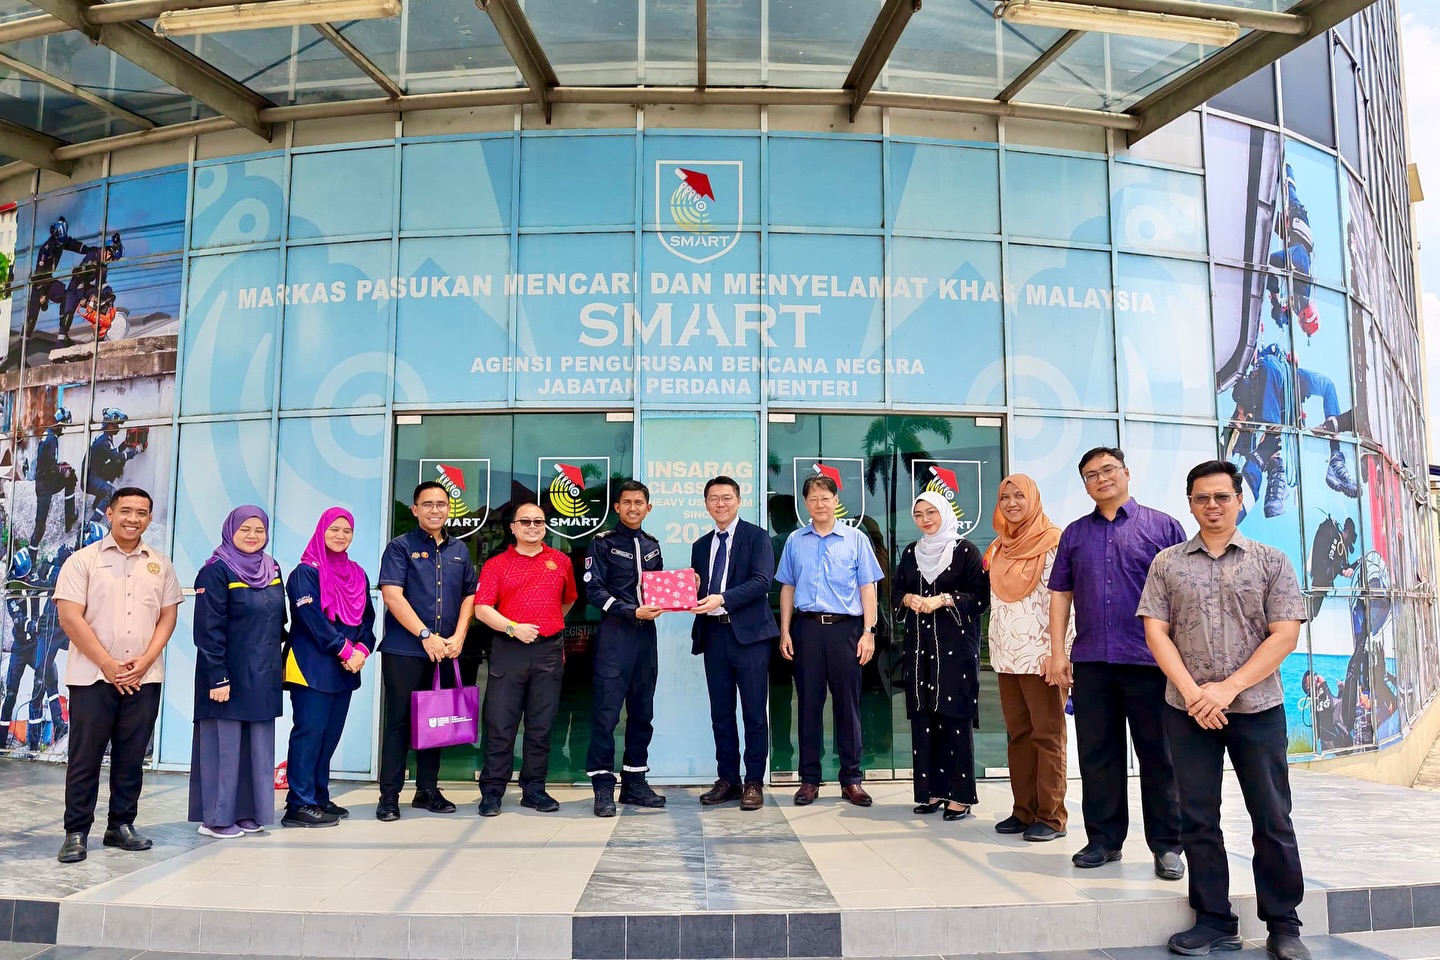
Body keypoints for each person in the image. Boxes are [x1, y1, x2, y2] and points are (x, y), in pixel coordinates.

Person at [1138, 460, 1310, 960]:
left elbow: (1285, 634)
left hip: (1256, 708)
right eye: (1201, 498)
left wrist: (1226, 690)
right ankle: (1213, 919)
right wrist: (1195, 693)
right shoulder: (1167, 563)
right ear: (1190, 504)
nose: (1212, 506)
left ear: (1238, 501)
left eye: (1221, 497)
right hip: (1187, 710)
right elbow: (1155, 632)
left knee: (1272, 815)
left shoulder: (1271, 561)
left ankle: (1283, 924)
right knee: (1197, 817)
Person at [1048, 446, 1187, 879]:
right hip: (1092, 661)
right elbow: (1060, 595)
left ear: (1126, 472)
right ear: (1085, 485)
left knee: (1159, 756)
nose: (1101, 478)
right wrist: (1058, 652)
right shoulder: (1074, 534)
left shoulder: (1163, 527)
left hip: (1151, 662)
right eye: (1091, 475)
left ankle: (1168, 846)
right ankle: (1104, 841)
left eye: (1108, 469)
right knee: (1097, 755)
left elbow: (1185, 594)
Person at [53, 487, 182, 863]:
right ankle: (76, 832)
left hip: (143, 677)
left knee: (131, 755)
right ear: (110, 514)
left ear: (149, 519)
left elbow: (168, 616)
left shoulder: (160, 564)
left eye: (141, 513)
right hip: (92, 677)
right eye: (126, 511)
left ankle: (121, 825)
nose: (133, 519)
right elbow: (70, 617)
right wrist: (107, 664)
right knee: (85, 756)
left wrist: (146, 660)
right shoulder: (83, 560)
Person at [776, 472, 884, 807]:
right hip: (806, 630)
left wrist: (868, 632)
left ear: (836, 501)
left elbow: (868, 588)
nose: (820, 504)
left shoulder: (856, 539)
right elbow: (787, 586)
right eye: (813, 498)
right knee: (808, 705)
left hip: (846, 630)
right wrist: (785, 630)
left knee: (847, 706)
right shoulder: (795, 541)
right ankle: (809, 779)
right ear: (805, 504)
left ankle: (851, 779)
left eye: (826, 498)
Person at [375, 481, 477, 821]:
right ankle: (389, 796)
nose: (435, 510)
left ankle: (427, 790)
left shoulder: (459, 550)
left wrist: (459, 635)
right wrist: (424, 634)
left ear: (449, 509)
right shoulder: (399, 547)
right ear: (415, 509)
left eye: (441, 504)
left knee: (437, 721)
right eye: (428, 504)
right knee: (399, 723)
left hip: (445, 651)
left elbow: (470, 595)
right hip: (405, 651)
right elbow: (392, 595)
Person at [474, 501, 577, 816]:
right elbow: (482, 608)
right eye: (526, 522)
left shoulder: (560, 561)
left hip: (547, 651)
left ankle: (534, 790)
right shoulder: (497, 564)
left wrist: (547, 623)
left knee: (541, 726)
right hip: (510, 649)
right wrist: (513, 628)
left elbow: (568, 600)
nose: (533, 527)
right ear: (513, 527)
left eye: (538, 522)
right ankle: (492, 792)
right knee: (500, 724)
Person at [984, 474, 1072, 842]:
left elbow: (1065, 600)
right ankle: (1023, 810)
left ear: (1033, 499)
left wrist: (1059, 653)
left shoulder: (1054, 542)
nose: (1011, 503)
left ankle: (1051, 816)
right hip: (1007, 657)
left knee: (1047, 735)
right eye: (1005, 497)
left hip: (1041, 657)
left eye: (1019, 496)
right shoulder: (1000, 546)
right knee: (1019, 735)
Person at [190, 506, 286, 839]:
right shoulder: (216, 571)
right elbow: (207, 629)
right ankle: (216, 819)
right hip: (226, 676)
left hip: (262, 674)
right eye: (245, 529)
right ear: (230, 530)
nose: (252, 536)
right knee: (225, 748)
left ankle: (247, 812)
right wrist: (217, 676)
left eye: (259, 530)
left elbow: (279, 622)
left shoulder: (272, 568)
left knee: (256, 749)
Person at [894, 491, 989, 821]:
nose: (925, 519)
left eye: (931, 512)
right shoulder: (911, 552)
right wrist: (908, 599)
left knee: (954, 718)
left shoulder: (965, 551)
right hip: (920, 649)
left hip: (956, 651)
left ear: (945, 513)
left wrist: (944, 599)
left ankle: (959, 797)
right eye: (919, 514)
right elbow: (896, 589)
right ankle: (931, 792)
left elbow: (981, 597)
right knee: (924, 719)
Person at [283, 508, 375, 828]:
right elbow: (311, 620)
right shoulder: (305, 573)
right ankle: (299, 803)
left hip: (345, 668)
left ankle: (318, 797)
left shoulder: (357, 573)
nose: (340, 535)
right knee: (309, 733)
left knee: (329, 736)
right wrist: (345, 649)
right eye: (334, 529)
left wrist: (362, 649)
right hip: (311, 665)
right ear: (321, 530)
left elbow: (368, 619)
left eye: (347, 531)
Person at [691, 476, 779, 811]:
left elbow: (762, 581)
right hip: (714, 636)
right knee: (721, 713)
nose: (720, 504)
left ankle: (753, 781)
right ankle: (728, 780)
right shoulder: (701, 545)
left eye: (727, 497)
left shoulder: (757, 537)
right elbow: (702, 593)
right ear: (706, 504)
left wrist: (722, 598)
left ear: (739, 500)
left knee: (754, 713)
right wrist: (693, 589)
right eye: (713, 498)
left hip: (750, 637)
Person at [585, 480, 667, 817]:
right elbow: (594, 591)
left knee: (642, 712)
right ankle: (603, 786)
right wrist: (629, 611)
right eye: (627, 502)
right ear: (617, 507)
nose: (633, 508)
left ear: (649, 508)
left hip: (646, 637)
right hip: (615, 636)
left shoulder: (652, 545)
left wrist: (684, 589)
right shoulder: (602, 543)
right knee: (606, 714)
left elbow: (658, 589)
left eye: (639, 502)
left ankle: (634, 782)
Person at [29, 407, 78, 558]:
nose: (63, 429)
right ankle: (32, 556)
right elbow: (49, 466)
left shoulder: (48, 435)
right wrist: (61, 470)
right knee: (40, 524)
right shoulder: (52, 439)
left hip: (46, 481)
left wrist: (60, 466)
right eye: (63, 426)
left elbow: (47, 462)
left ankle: (69, 517)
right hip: (45, 485)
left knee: (71, 478)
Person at [24, 217, 82, 338]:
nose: (61, 244)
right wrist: (43, 294)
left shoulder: (62, 240)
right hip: (39, 284)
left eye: (63, 242)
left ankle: (62, 333)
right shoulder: (46, 249)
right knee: (32, 319)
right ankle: (24, 341)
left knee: (66, 296)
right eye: (59, 242)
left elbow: (75, 245)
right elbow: (40, 273)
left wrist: (92, 251)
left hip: (49, 282)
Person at [86, 408, 143, 524]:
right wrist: (135, 451)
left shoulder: (105, 437)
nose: (118, 427)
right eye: (116, 424)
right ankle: (92, 525)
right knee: (110, 491)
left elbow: (113, 454)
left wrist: (124, 444)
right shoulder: (104, 441)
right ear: (109, 424)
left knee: (115, 465)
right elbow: (117, 458)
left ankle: (97, 504)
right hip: (90, 478)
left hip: (94, 474)